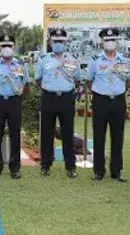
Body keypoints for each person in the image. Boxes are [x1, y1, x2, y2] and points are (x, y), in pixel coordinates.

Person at [85, 27, 130, 182]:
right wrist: (102, 92)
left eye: (113, 40)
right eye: (107, 40)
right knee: (99, 136)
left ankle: (116, 171)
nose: (110, 42)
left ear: (117, 41)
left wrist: (116, 91)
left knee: (118, 136)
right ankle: (99, 171)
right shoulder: (95, 61)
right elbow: (89, 81)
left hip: (118, 100)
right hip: (100, 101)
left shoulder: (125, 60)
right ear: (102, 42)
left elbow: (128, 80)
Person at [35, 28, 81, 178]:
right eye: (55, 41)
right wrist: (50, 88)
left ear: (65, 42)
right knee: (47, 132)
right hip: (49, 98)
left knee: (68, 133)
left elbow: (78, 80)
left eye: (61, 41)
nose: (58, 44)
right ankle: (45, 165)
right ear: (50, 42)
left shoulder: (73, 59)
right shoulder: (44, 59)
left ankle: (70, 166)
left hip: (66, 98)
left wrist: (64, 88)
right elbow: (38, 79)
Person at [0, 34, 30, 179]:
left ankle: (14, 168)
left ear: (14, 47)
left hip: (14, 102)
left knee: (15, 134)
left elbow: (26, 85)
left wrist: (18, 98)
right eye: (3, 46)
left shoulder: (21, 65)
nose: (6, 48)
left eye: (9, 46)